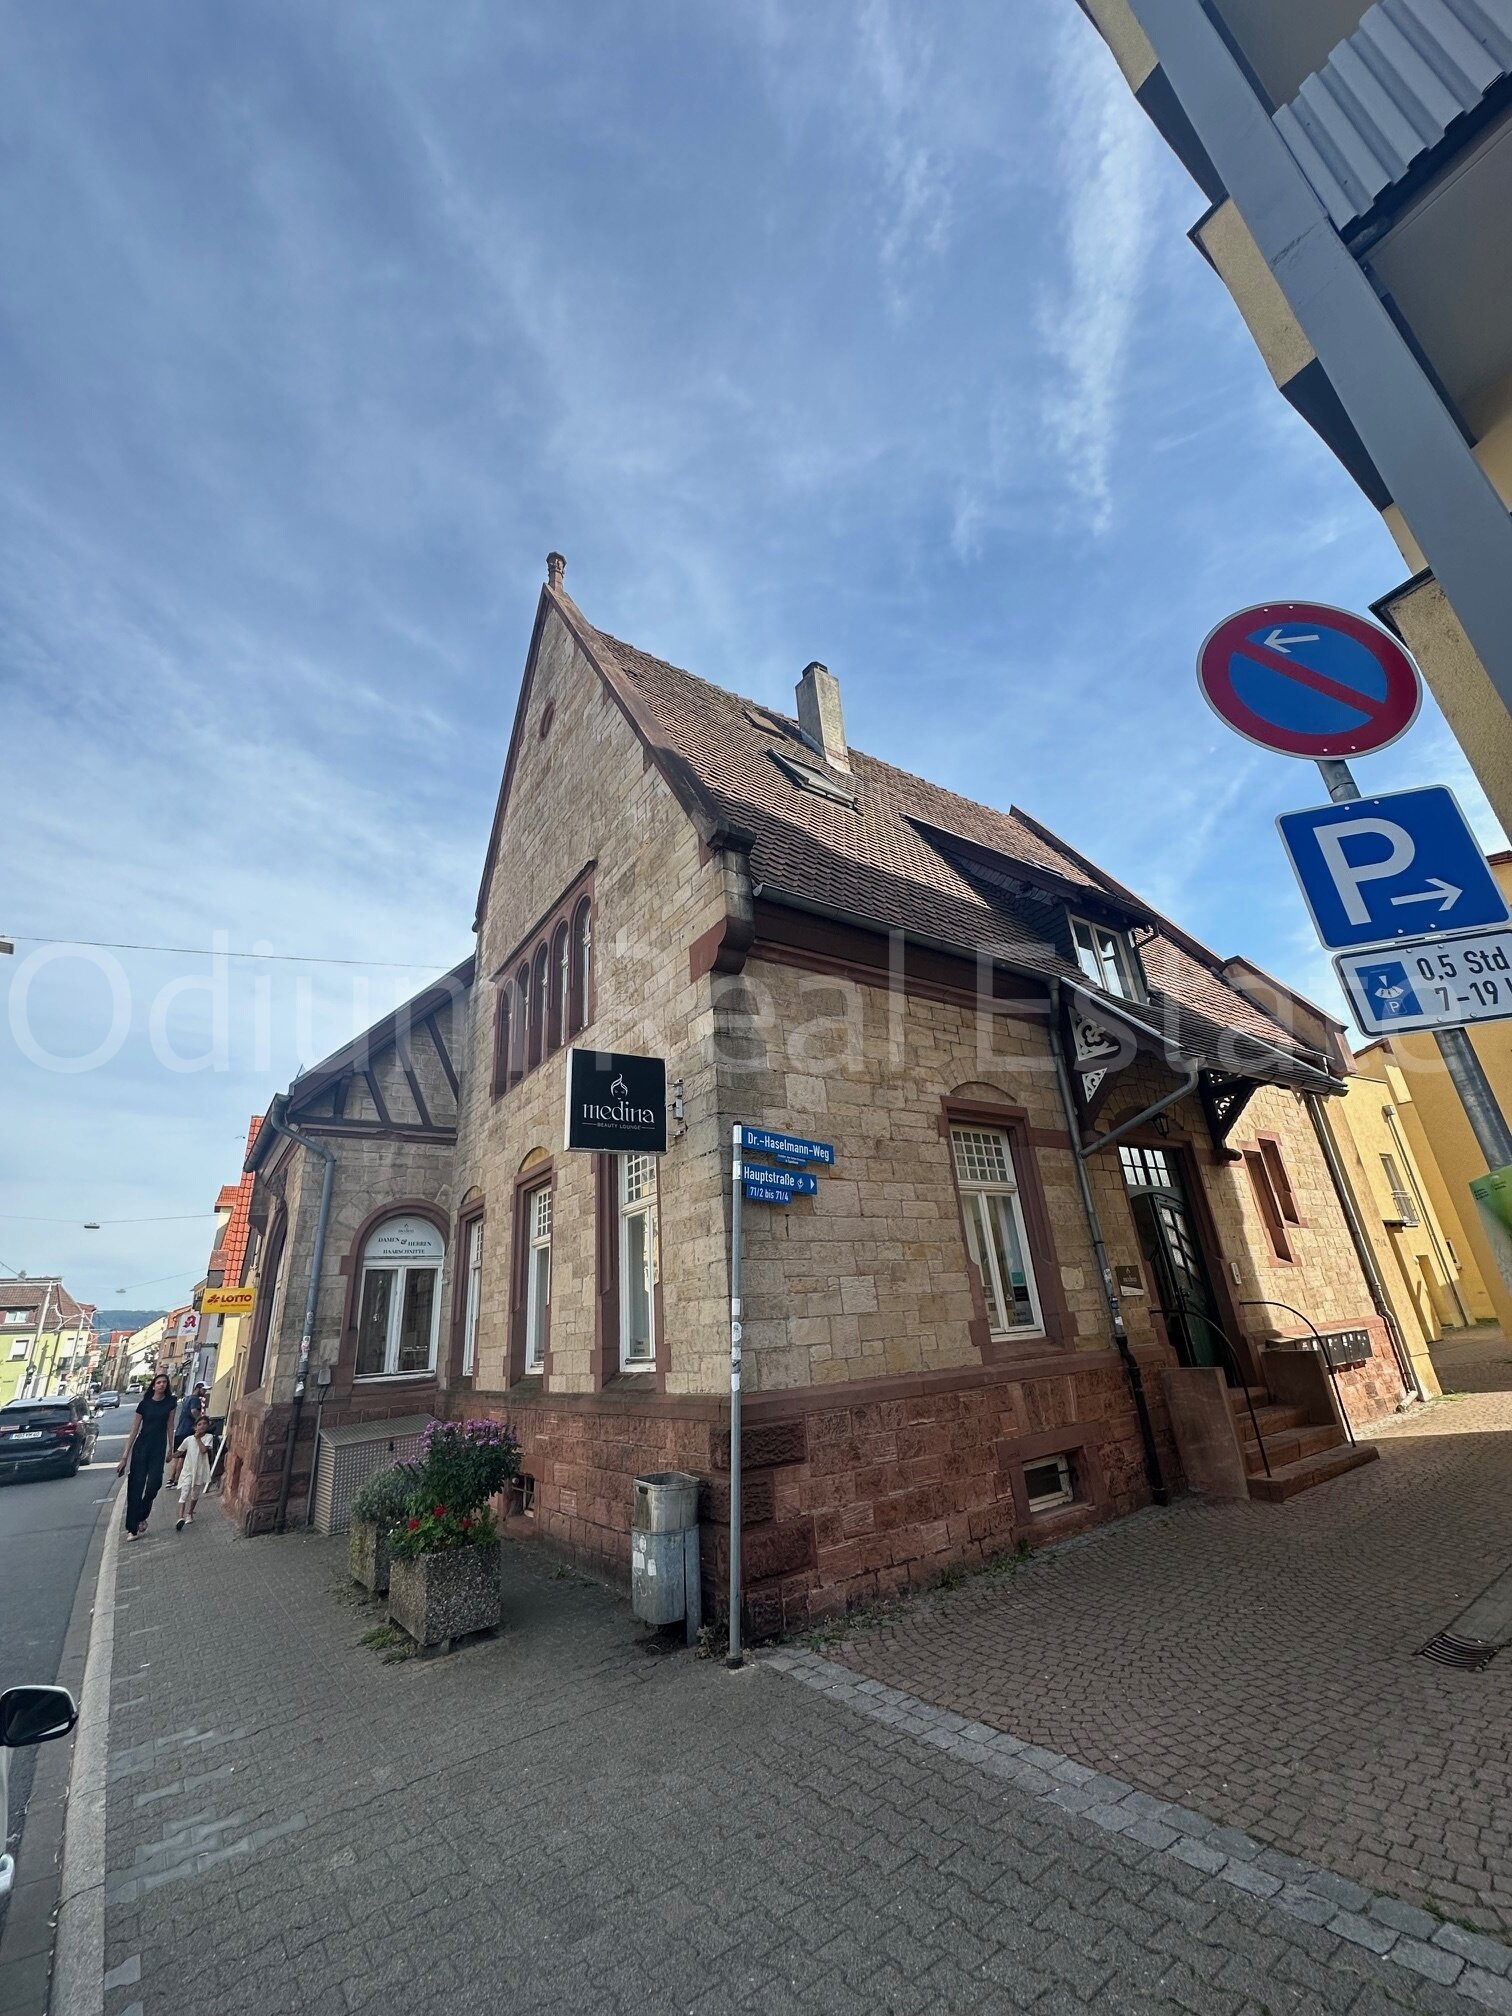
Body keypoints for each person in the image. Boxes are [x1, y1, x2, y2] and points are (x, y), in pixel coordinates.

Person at [116, 1373, 176, 1540]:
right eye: (159, 1382)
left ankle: (141, 1515)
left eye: (164, 1382)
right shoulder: (144, 1404)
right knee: (136, 1485)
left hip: (159, 1447)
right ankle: (132, 1528)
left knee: (154, 1483)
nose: (162, 1385)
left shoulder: (170, 1403)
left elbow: (170, 1426)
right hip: (142, 1446)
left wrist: (171, 1448)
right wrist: (124, 1457)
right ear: (153, 1386)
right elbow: (134, 1430)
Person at [170, 1414, 215, 1530]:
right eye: (199, 1424)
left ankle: (190, 1513)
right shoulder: (188, 1439)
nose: (202, 1426)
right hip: (188, 1470)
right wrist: (170, 1456)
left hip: (199, 1470)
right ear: (195, 1427)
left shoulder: (209, 1437)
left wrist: (198, 1438)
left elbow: (204, 1450)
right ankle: (180, 1517)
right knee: (184, 1493)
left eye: (204, 1424)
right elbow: (180, 1451)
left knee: (194, 1494)